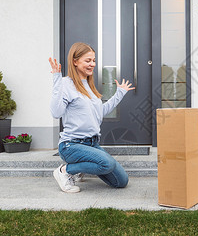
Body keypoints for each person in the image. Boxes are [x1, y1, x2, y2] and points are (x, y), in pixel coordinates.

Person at [49, 42, 135, 193]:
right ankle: (65, 171)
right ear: (75, 61)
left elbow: (100, 113)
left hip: (92, 144)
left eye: (93, 60)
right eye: (87, 60)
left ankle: (80, 167)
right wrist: (57, 79)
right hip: (71, 145)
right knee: (107, 163)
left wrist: (119, 93)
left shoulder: (89, 85)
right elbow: (56, 112)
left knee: (121, 181)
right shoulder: (66, 84)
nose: (92, 64)